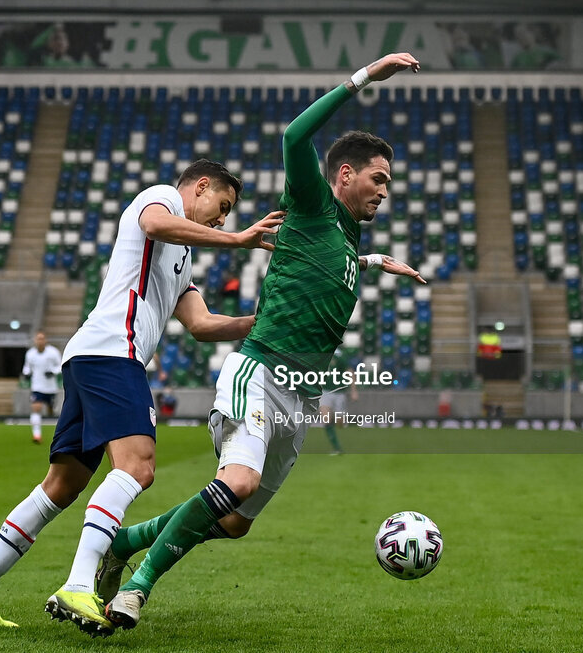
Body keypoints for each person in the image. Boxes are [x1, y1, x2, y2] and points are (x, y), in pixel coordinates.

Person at [99, 52, 426, 630]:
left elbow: (332, 263)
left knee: (234, 520)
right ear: (344, 175)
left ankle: (125, 541)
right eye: (379, 178)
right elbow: (296, 133)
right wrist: (366, 77)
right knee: (239, 481)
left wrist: (376, 262)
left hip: (301, 392)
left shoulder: (347, 239)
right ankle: (135, 590)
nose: (385, 191)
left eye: (390, 183)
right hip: (260, 372)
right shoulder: (311, 202)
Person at [0, 160, 283, 634]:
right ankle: (79, 583)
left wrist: (260, 323)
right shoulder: (160, 196)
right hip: (113, 353)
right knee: (138, 467)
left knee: (60, 486)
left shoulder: (181, 257)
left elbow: (202, 325)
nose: (222, 219)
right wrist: (238, 239)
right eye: (221, 207)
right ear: (200, 187)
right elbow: (155, 223)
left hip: (91, 355)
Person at [22, 332, 63, 444]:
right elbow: (27, 367)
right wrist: (26, 373)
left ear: (46, 340)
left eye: (42, 339)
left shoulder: (53, 352)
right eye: (38, 339)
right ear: (35, 340)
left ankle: (57, 436)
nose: (40, 341)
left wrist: (53, 372)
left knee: (51, 412)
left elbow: (61, 365)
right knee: (36, 407)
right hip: (37, 386)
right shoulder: (30, 354)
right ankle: (37, 435)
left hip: (50, 387)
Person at [319, 347, 358, 454]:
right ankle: (337, 448)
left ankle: (344, 427)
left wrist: (353, 390)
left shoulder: (340, 355)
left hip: (339, 392)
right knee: (326, 418)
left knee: (340, 422)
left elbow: (349, 372)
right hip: (325, 391)